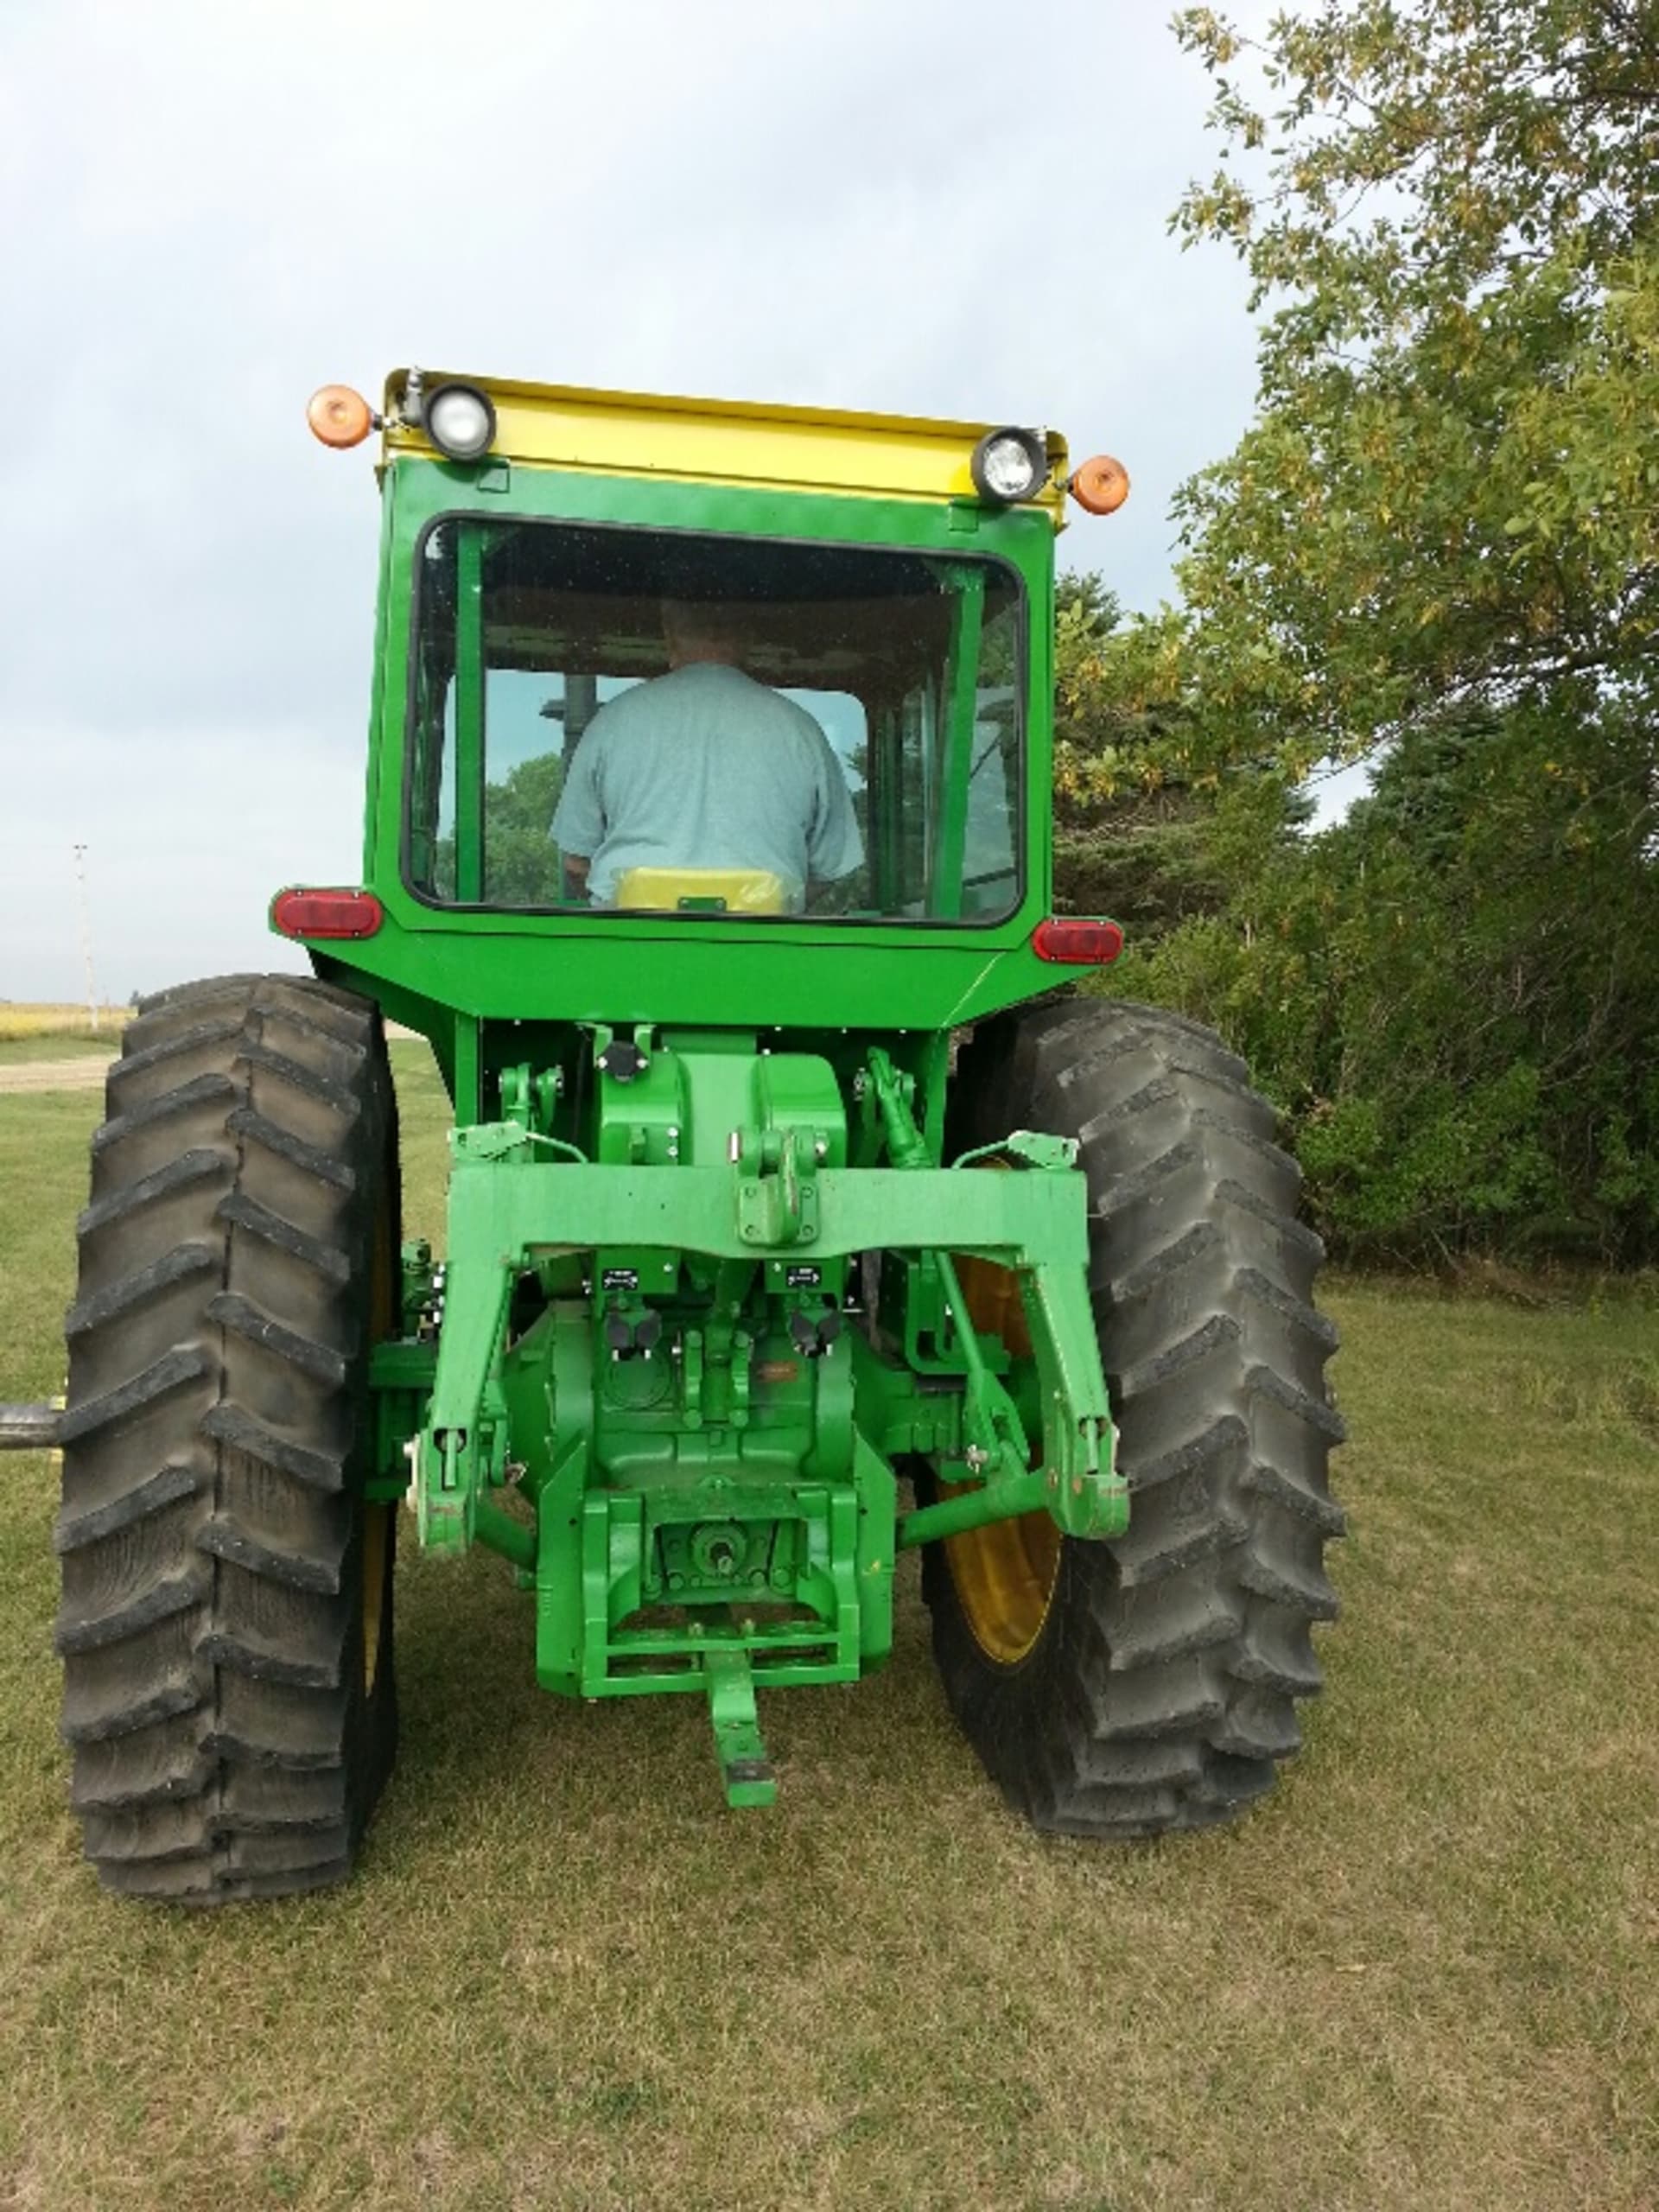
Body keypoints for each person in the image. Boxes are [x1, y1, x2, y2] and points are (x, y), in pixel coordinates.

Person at [550, 601, 863, 909]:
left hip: (634, 948)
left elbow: (577, 863)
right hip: (764, 951)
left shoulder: (611, 722)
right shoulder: (802, 730)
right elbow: (828, 867)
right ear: (747, 638)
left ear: (669, 634)